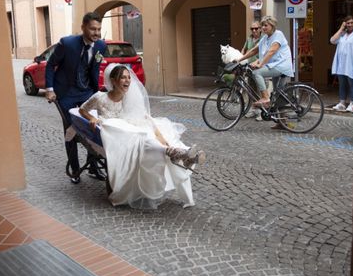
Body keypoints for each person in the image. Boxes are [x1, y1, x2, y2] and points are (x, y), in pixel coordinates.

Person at [77, 64, 205, 209]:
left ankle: (179, 152)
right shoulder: (100, 97)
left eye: (128, 77)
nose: (127, 81)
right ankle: (177, 152)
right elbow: (82, 109)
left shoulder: (129, 98)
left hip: (132, 133)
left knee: (148, 135)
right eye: (122, 78)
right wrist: (91, 118)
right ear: (113, 80)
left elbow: (143, 118)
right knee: (142, 137)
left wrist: (160, 136)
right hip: (115, 135)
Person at [45, 12, 107, 177]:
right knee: (70, 130)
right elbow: (50, 65)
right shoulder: (67, 44)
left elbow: (95, 68)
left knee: (94, 128)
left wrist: (100, 90)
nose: (96, 33)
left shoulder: (101, 46)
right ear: (83, 28)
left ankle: (93, 167)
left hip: (87, 92)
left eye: (99, 29)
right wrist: (50, 89)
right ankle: (75, 169)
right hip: (66, 93)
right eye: (93, 29)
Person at [236, 15, 294, 108]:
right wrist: (239, 59)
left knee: (257, 73)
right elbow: (254, 50)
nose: (263, 27)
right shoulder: (265, 38)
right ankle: (281, 120)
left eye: (266, 25)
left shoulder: (278, 34)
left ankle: (265, 97)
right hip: (274, 65)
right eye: (262, 25)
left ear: (272, 25)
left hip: (281, 65)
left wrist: (260, 64)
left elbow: (271, 51)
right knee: (277, 93)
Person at [330, 15, 353, 112]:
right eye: (348, 23)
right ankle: (342, 103)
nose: (350, 24)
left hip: (352, 63)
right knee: (342, 84)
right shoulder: (342, 34)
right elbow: (332, 41)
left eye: (352, 22)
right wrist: (341, 29)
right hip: (342, 64)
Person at [241, 21, 263, 119]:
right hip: (249, 68)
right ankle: (254, 110)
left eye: (256, 28)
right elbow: (244, 49)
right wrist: (241, 58)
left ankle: (262, 112)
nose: (254, 30)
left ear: (260, 29)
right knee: (252, 90)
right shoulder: (249, 38)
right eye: (252, 28)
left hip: (260, 67)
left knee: (262, 90)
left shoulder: (263, 39)